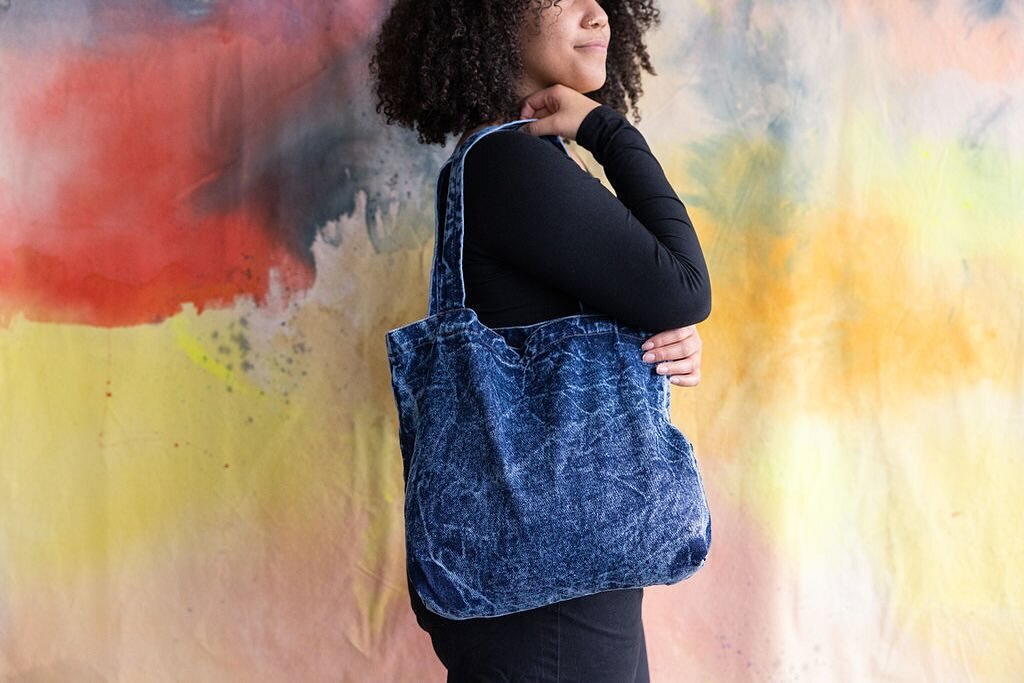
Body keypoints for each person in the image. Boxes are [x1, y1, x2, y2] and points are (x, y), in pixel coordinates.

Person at [370, 1, 711, 680]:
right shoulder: (509, 161)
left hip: (549, 571)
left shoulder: (526, 162)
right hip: (549, 593)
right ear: (492, 18)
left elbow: (655, 297)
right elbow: (682, 285)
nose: (597, 14)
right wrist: (608, 131)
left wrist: (665, 336)